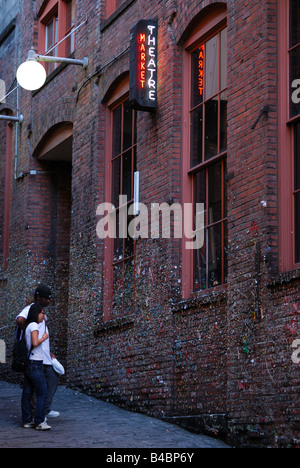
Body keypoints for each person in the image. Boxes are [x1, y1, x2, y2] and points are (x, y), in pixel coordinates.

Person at [16, 284, 60, 418]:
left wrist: (48, 351)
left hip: (44, 354)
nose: (48, 301)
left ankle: (42, 410)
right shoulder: (30, 309)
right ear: (38, 297)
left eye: (49, 299)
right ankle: (38, 414)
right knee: (38, 388)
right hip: (35, 357)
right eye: (46, 298)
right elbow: (19, 320)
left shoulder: (40, 311)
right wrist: (30, 332)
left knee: (51, 380)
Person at [21, 303, 51, 430]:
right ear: (36, 313)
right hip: (35, 363)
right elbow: (34, 342)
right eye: (42, 313)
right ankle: (39, 421)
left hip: (29, 362)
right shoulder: (33, 325)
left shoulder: (28, 326)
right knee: (43, 392)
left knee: (27, 393)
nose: (43, 315)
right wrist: (43, 337)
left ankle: (27, 420)